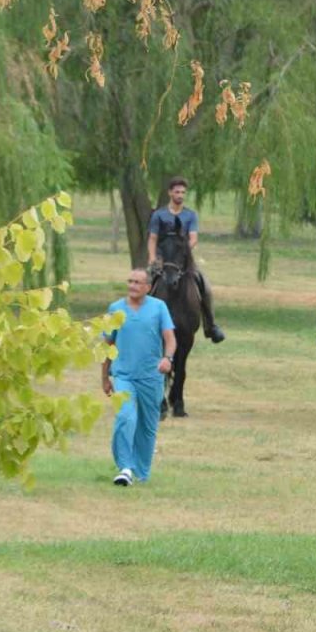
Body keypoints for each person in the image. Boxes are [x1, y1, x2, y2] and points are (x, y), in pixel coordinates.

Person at [102, 268, 176, 486]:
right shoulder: (115, 309)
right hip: (123, 375)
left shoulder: (159, 308)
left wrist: (168, 358)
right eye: (130, 281)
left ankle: (141, 472)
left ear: (148, 287)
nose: (132, 286)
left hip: (151, 377)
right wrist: (105, 377)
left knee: (147, 426)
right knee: (125, 417)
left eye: (137, 282)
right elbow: (108, 346)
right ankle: (124, 467)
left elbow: (170, 338)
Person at [147, 175, 226, 343]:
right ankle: (140, 322)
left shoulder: (190, 215)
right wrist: (153, 258)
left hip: (182, 259)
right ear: (170, 193)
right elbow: (153, 239)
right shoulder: (159, 215)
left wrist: (182, 253)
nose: (180, 195)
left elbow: (193, 238)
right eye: (177, 192)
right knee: (143, 283)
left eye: (183, 192)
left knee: (203, 282)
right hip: (163, 258)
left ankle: (210, 325)